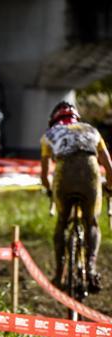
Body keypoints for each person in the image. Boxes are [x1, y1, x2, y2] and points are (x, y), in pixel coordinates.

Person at [40, 101, 112, 293]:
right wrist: (109, 187)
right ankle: (91, 268)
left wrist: (49, 189)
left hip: (64, 173)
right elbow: (109, 167)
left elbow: (44, 175)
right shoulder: (92, 130)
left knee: (62, 223)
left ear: (54, 120)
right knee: (92, 223)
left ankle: (59, 274)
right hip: (90, 172)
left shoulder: (49, 134)